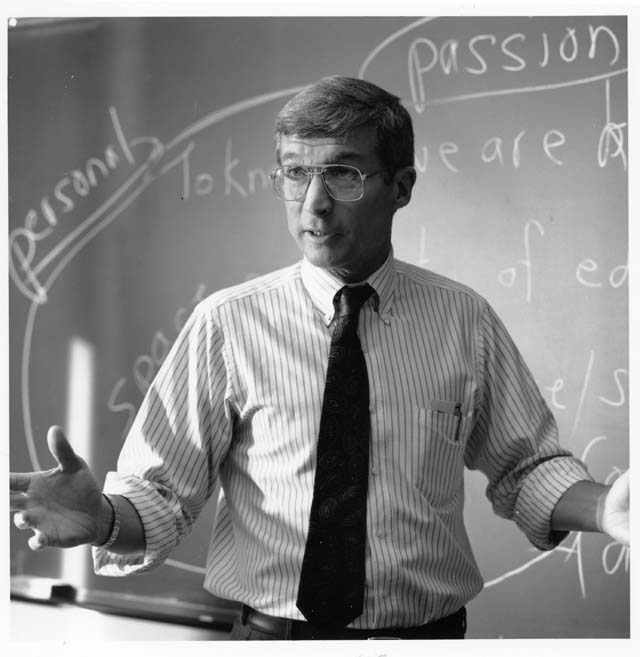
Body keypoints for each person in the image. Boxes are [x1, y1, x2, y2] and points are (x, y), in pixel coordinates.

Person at [10, 76, 629, 641]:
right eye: (294, 173)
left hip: (426, 638)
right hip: (276, 638)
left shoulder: (463, 319)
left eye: (343, 174)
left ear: (401, 186)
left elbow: (526, 468)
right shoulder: (227, 324)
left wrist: (606, 508)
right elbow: (161, 495)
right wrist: (103, 518)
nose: (314, 203)